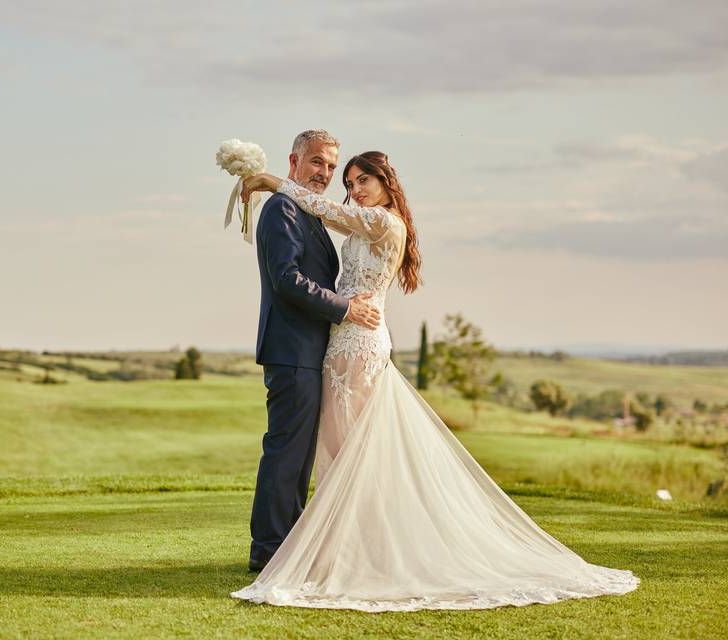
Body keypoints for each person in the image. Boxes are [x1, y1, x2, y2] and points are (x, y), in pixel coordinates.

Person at [231, 151, 640, 612]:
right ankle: (341, 549)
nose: (355, 187)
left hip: (360, 345)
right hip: (339, 345)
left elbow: (327, 209)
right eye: (350, 181)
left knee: (358, 451)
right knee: (340, 450)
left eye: (365, 178)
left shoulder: (387, 224)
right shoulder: (365, 221)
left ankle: (374, 553)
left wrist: (271, 180)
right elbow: (319, 214)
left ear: (388, 182)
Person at [248, 130, 381, 573]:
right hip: (291, 350)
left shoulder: (306, 211)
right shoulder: (281, 209)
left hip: (312, 351)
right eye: (317, 163)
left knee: (301, 455)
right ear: (294, 160)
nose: (325, 174)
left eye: (330, 167)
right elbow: (287, 280)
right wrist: (346, 308)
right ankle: (268, 550)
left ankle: (288, 545)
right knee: (286, 451)